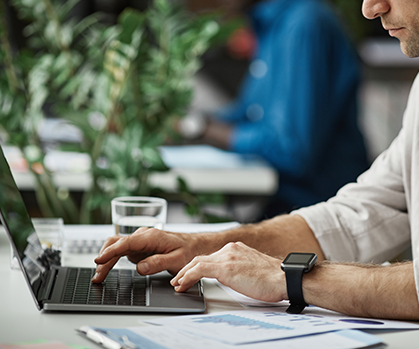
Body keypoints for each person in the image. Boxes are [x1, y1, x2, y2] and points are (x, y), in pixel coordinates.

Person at [93, 0, 419, 320]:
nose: (370, 8)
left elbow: (291, 148)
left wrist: (286, 276)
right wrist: (198, 246)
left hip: (300, 194)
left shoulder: (305, 22)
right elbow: (354, 217)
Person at [179, 0, 369, 216]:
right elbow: (248, 114)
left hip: (323, 212)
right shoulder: (272, 25)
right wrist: (187, 123)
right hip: (287, 205)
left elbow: (291, 149)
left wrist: (202, 129)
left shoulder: (304, 25)